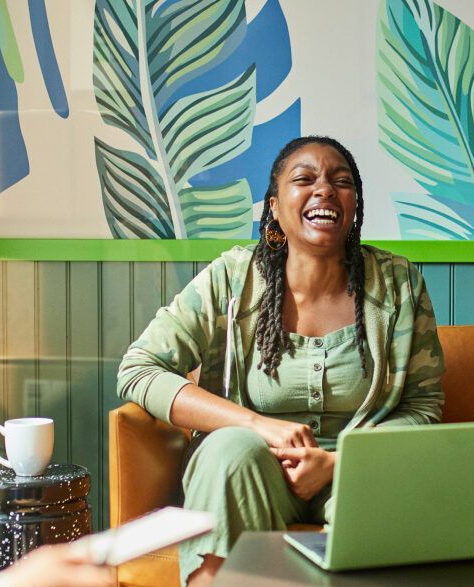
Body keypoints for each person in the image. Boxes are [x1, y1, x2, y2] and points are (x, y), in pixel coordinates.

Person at [117, 136, 445, 585]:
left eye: (341, 182)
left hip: (357, 471)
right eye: (305, 179)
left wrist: (341, 462)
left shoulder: (398, 284)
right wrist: (255, 425)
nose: (325, 190)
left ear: (354, 203)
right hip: (253, 465)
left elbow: (422, 407)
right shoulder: (231, 279)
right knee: (229, 450)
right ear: (274, 206)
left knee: (389, 488)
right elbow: (140, 369)